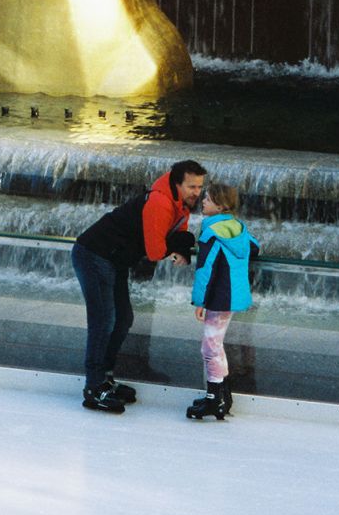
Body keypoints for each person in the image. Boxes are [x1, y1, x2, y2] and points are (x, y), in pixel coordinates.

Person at [71, 160, 207, 413]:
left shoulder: (181, 206)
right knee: (104, 320)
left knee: (123, 319)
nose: (197, 192)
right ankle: (94, 387)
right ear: (177, 184)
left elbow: (177, 236)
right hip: (94, 255)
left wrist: (180, 246)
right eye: (191, 187)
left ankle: (106, 378)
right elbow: (155, 251)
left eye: (200, 187)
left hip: (115, 259)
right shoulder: (160, 202)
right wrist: (176, 246)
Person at [186, 182, 259, 421]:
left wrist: (200, 302)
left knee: (209, 348)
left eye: (207, 199)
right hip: (234, 295)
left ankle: (214, 399)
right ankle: (223, 397)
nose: (202, 201)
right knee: (216, 346)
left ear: (219, 206)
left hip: (218, 297)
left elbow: (205, 270)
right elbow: (255, 248)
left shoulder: (211, 232)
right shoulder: (238, 227)